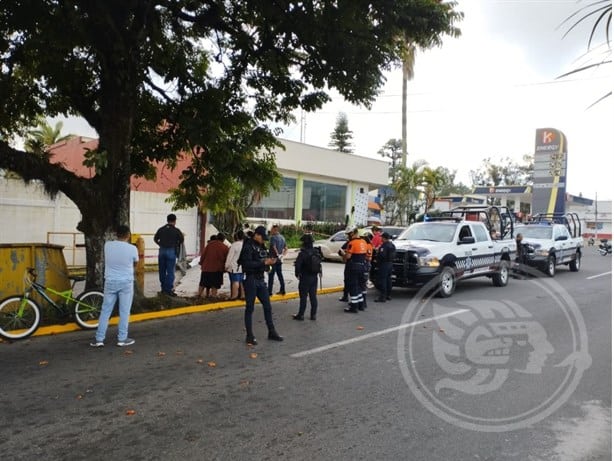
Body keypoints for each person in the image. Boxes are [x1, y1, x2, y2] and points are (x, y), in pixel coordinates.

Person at [90, 225, 138, 347]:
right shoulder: (132, 248)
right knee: (124, 311)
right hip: (126, 282)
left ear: (116, 234)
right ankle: (122, 338)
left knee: (105, 310)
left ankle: (99, 339)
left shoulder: (108, 245)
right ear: (128, 235)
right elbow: (135, 263)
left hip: (110, 281)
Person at [238, 225, 283, 345]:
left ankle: (271, 331)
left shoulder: (261, 246)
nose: (264, 240)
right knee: (250, 308)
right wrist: (262, 262)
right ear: (257, 235)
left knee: (268, 306)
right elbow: (246, 264)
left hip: (261, 279)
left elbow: (265, 260)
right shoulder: (247, 246)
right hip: (251, 279)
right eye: (262, 238)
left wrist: (270, 262)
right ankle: (249, 335)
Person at [154, 213, 184, 296]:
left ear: (167, 220)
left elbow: (155, 238)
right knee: (170, 271)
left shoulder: (161, 229)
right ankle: (169, 289)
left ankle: (163, 289)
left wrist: (160, 244)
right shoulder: (176, 230)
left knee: (162, 271)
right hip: (171, 251)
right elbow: (181, 240)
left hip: (162, 251)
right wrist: (175, 244)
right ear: (174, 221)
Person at [292, 234, 320, 321]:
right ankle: (313, 315)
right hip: (314, 277)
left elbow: (298, 266)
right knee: (313, 296)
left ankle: (301, 315)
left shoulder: (302, 254)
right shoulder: (316, 252)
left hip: (305, 277)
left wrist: (297, 274)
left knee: (303, 297)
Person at [341, 227, 368, 313]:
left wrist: (343, 255)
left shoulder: (352, 243)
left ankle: (354, 307)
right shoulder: (364, 242)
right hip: (362, 266)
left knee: (353, 286)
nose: (348, 236)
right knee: (359, 286)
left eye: (348, 234)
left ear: (352, 233)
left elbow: (348, 256)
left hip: (353, 267)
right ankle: (361, 305)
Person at [198, 233, 229, 298]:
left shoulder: (209, 245)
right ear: (223, 239)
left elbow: (203, 255)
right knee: (215, 284)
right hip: (217, 269)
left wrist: (201, 263)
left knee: (203, 282)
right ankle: (213, 296)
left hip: (206, 267)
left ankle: (199, 294)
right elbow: (227, 259)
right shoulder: (225, 247)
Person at [374, 232, 395, 302]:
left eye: (381, 237)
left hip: (384, 264)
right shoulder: (392, 245)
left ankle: (382, 297)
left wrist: (378, 255)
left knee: (382, 280)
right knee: (388, 279)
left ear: (384, 238)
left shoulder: (384, 246)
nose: (381, 239)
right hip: (390, 264)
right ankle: (388, 295)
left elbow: (382, 256)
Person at [225, 230, 245, 301]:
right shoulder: (245, 245)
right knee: (242, 281)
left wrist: (226, 266)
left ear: (236, 237)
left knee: (235, 281)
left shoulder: (234, 245)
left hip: (234, 266)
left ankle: (234, 296)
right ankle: (243, 295)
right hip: (243, 266)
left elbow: (230, 257)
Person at [268, 224, 288, 296]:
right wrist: (282, 255)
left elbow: (274, 247)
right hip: (279, 260)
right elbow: (286, 248)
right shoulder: (282, 237)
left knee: (271, 275)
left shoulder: (273, 238)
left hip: (272, 259)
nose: (271, 230)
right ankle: (283, 290)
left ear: (275, 230)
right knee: (280, 275)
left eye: (272, 229)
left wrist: (277, 254)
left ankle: (269, 291)